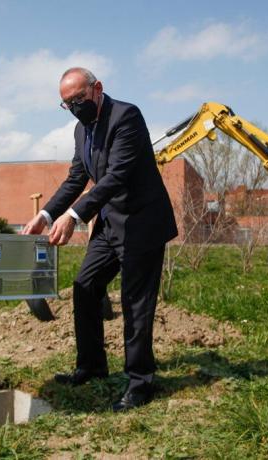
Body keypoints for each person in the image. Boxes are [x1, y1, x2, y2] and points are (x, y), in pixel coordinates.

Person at [23, 68, 177, 411]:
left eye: (79, 99)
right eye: (67, 104)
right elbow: (77, 178)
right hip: (110, 224)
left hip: (141, 224)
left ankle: (140, 382)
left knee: (136, 303)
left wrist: (75, 216)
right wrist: (46, 215)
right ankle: (92, 365)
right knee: (85, 286)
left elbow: (117, 176)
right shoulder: (81, 130)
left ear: (97, 89)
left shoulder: (126, 116)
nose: (75, 107)